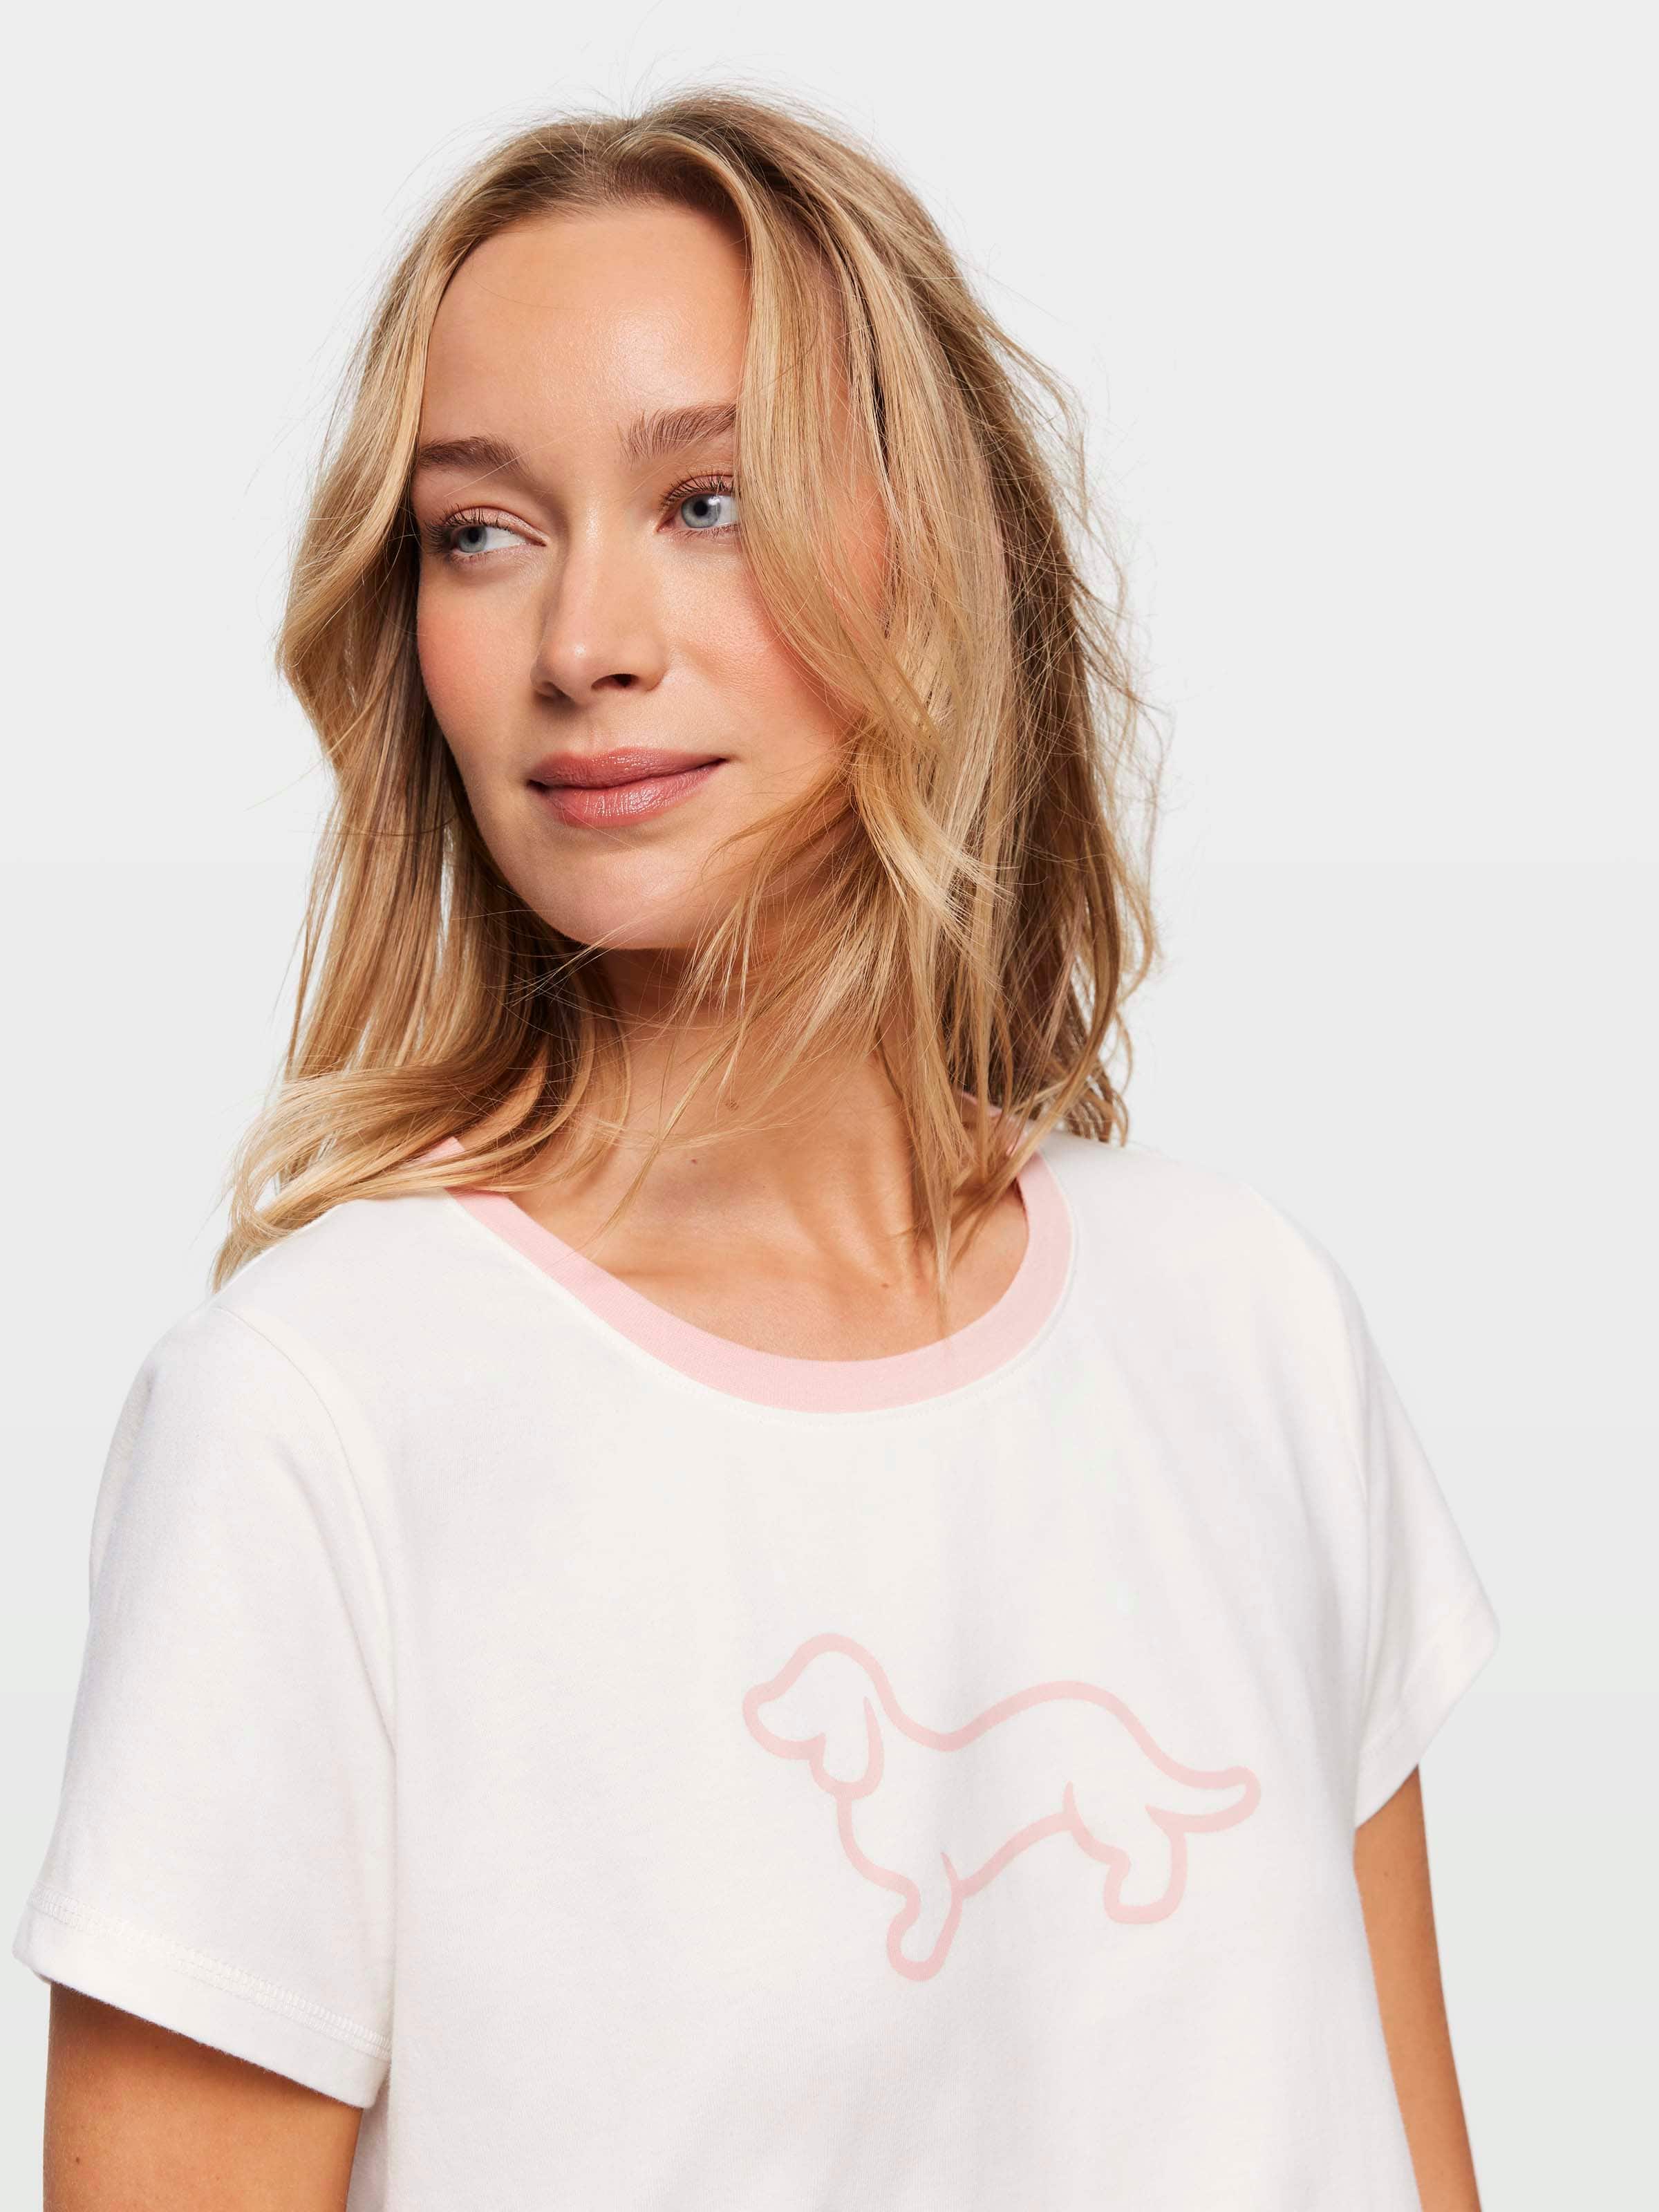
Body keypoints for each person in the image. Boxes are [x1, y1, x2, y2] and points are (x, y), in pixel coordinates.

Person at [14, 87, 1500, 2211]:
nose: (584, 645)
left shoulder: (1247, 1326)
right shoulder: (318, 1420)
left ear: (937, 551)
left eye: (708, 501)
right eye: (480, 532)